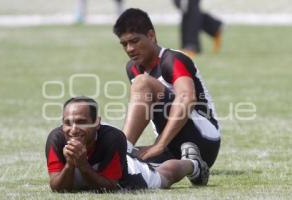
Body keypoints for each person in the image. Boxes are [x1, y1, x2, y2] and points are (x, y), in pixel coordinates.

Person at [113, 8, 221, 185]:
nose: (130, 49)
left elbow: (187, 98)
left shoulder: (172, 59)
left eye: (134, 41)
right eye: (124, 44)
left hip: (202, 141)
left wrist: (159, 145)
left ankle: (122, 149)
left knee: (142, 83)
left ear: (151, 35)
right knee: (131, 167)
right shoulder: (132, 67)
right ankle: (194, 168)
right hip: (173, 149)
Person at [45, 96, 205, 192]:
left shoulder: (112, 138)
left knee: (164, 176)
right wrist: (71, 165)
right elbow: (58, 188)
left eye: (81, 122)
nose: (73, 130)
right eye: (67, 123)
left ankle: (192, 164)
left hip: (124, 175)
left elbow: (109, 188)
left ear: (97, 123)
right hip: (95, 168)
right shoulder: (56, 139)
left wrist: (83, 165)